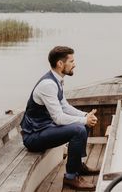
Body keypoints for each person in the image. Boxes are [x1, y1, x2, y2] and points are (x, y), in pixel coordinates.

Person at [20, 46, 99, 191]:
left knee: (83, 124)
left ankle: (78, 166)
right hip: (33, 136)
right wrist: (83, 120)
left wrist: (84, 116)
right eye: (71, 61)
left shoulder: (57, 80)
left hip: (45, 128)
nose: (74, 64)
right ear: (60, 64)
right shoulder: (48, 84)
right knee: (78, 129)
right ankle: (70, 178)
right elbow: (58, 118)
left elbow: (64, 106)